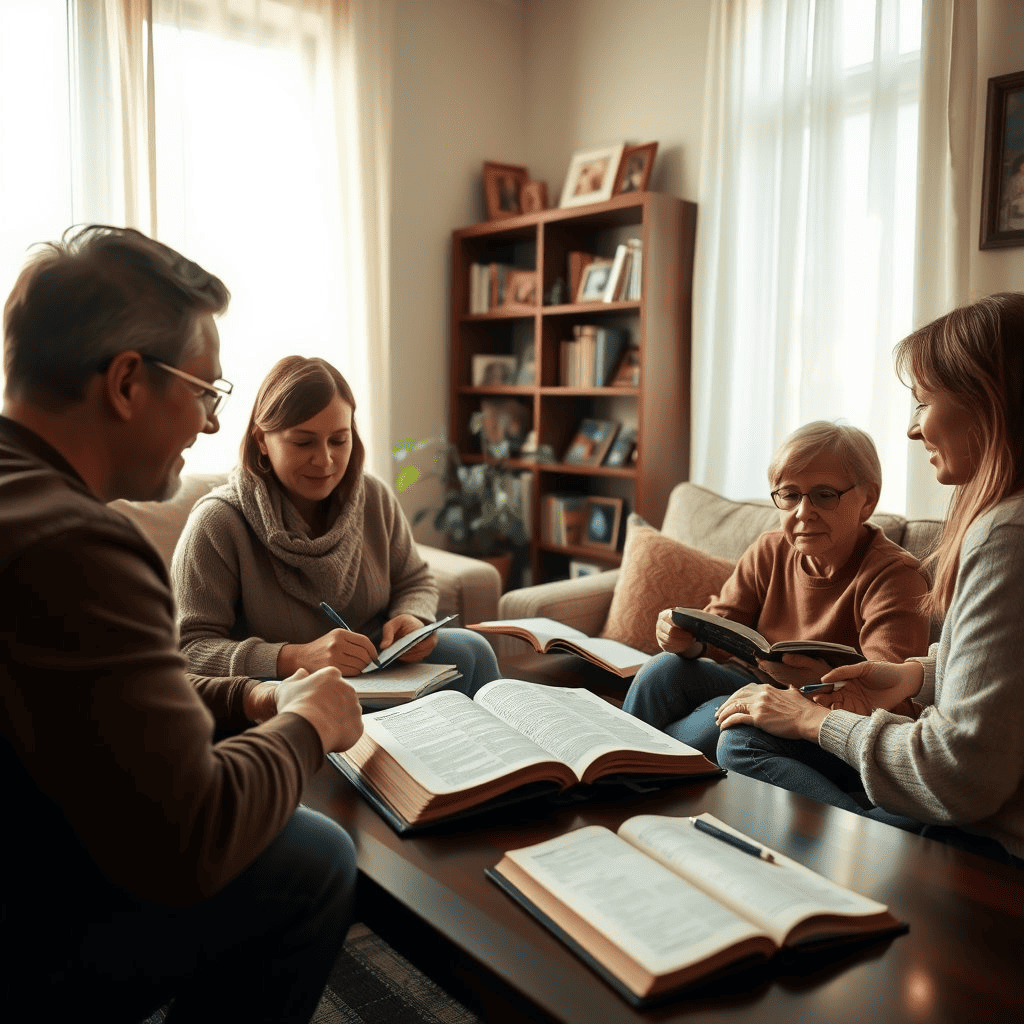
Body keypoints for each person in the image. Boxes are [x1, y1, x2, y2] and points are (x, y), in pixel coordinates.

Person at [0, 225, 364, 1022]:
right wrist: (306, 726)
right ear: (127, 382)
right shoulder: (81, 545)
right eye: (205, 392)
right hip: (31, 935)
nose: (208, 425)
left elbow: (108, 702)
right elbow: (194, 839)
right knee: (318, 855)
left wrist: (249, 702)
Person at [714, 294, 1024, 867]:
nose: (913, 429)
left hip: (984, 843)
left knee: (739, 738)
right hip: (960, 803)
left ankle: (868, 856)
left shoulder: (1006, 535)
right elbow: (1003, 681)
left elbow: (963, 772)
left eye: (924, 402)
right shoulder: (1003, 526)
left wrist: (812, 719)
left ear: (989, 403)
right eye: (789, 495)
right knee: (690, 693)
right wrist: (914, 676)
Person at [172, 355, 501, 694]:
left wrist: (411, 619)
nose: (325, 459)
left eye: (339, 440)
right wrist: (295, 657)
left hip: (381, 672)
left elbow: (414, 580)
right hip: (285, 689)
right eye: (303, 442)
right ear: (261, 440)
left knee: (473, 649)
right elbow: (190, 649)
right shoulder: (217, 522)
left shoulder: (372, 497)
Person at [622, 421, 930, 759]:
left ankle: (639, 761)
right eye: (790, 495)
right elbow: (719, 626)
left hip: (826, 716)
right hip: (757, 683)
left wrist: (820, 681)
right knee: (662, 669)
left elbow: (887, 691)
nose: (803, 513)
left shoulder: (895, 576)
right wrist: (687, 640)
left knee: (730, 719)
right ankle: (618, 763)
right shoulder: (770, 549)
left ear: (867, 499)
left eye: (825, 495)